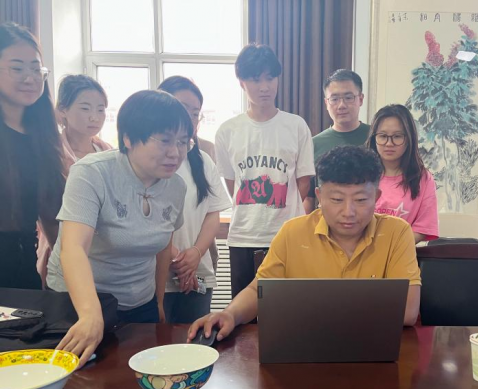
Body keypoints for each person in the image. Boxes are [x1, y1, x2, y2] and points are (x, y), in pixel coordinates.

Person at [187, 145, 421, 343]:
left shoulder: (396, 232)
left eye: (361, 200)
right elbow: (258, 291)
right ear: (319, 196)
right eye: (337, 199)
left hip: (375, 348)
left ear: (376, 197)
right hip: (303, 347)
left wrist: (315, 312)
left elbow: (408, 311)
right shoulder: (294, 232)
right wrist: (230, 314)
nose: (348, 212)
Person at [47, 90, 192, 365]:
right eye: (164, 141)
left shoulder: (176, 187)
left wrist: (158, 301)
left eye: (183, 142)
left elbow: (163, 247)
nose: (175, 152)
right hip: (80, 302)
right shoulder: (92, 173)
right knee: (82, 379)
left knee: (139, 377)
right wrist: (90, 314)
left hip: (140, 302)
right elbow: (74, 247)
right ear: (128, 138)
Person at [215, 43, 315, 298]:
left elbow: (303, 182)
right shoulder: (227, 131)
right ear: (241, 82)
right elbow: (232, 183)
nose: (264, 87)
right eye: (255, 79)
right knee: (242, 311)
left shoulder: (296, 126)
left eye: (270, 78)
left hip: (286, 236)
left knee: (286, 311)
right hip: (243, 236)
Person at [158, 76, 232, 323]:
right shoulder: (149, 160)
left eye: (195, 113)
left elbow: (212, 214)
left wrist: (196, 253)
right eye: (182, 109)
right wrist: (178, 259)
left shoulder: (202, 160)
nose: (189, 119)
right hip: (156, 275)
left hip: (197, 274)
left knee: (195, 339)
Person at [0, 22, 65, 290]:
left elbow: (51, 213)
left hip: (23, 269)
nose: (30, 78)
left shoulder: (43, 135)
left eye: (36, 69)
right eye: (17, 68)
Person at [36, 74, 113, 285]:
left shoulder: (108, 151)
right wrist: (61, 249)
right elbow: (46, 212)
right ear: (63, 110)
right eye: (85, 108)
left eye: (100, 109)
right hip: (63, 245)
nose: (94, 117)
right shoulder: (52, 154)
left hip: (106, 251)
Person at [366, 104, 438, 244]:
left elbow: (423, 228)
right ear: (374, 138)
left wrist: (392, 247)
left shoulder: (423, 178)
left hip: (402, 252)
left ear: (409, 139)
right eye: (383, 136)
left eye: (397, 136)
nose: (389, 143)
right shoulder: (361, 173)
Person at [303, 69, 370, 213]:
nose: (341, 105)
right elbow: (309, 198)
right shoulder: (313, 144)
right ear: (326, 103)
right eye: (334, 99)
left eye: (348, 97)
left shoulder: (377, 137)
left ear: (361, 99)